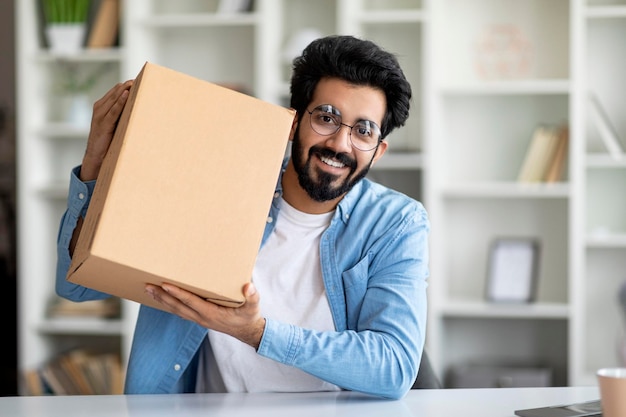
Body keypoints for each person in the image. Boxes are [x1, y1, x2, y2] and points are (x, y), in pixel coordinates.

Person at [55, 35, 430, 400]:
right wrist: (95, 164)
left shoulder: (397, 223)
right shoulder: (215, 188)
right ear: (294, 121)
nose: (339, 143)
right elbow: (78, 285)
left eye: (363, 130)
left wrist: (256, 332)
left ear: (378, 150)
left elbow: (393, 367)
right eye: (327, 117)